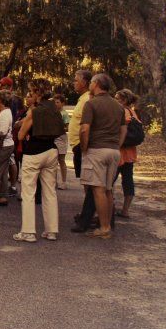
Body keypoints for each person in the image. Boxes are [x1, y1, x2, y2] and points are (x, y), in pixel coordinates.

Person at [12, 79, 62, 242]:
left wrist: (23, 125)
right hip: (51, 150)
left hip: (33, 152)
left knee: (28, 192)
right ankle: (52, 230)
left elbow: (20, 135)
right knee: (50, 192)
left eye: (32, 91)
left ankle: (28, 231)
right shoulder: (54, 108)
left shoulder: (34, 111)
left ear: (37, 93)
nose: (30, 94)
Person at [79, 73, 126, 240]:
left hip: (96, 149)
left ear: (97, 83)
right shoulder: (118, 106)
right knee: (108, 189)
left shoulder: (91, 104)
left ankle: (104, 227)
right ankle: (107, 224)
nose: (90, 84)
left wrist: (84, 147)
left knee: (97, 189)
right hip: (113, 151)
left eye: (91, 82)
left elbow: (85, 129)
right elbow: (123, 130)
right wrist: (117, 145)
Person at [68, 70, 97, 233]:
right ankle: (90, 212)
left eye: (76, 80)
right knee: (85, 181)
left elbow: (87, 126)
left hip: (82, 146)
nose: (74, 83)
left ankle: (90, 214)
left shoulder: (88, 99)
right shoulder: (82, 98)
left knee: (89, 182)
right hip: (78, 145)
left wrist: (84, 147)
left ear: (85, 82)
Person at [114, 88, 141, 219]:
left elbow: (120, 130)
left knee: (109, 180)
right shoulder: (133, 112)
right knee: (128, 181)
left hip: (120, 151)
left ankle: (107, 207)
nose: (115, 101)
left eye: (117, 99)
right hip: (130, 153)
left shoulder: (122, 111)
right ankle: (125, 210)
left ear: (123, 100)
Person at [53, 93, 70, 190]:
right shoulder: (53, 112)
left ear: (63, 103)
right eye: (55, 102)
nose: (56, 104)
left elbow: (66, 127)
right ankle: (53, 181)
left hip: (61, 137)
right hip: (53, 138)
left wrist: (58, 127)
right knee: (53, 161)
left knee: (61, 160)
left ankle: (64, 181)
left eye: (58, 102)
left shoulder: (64, 114)